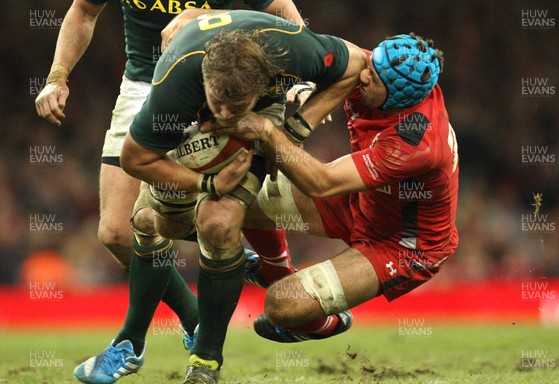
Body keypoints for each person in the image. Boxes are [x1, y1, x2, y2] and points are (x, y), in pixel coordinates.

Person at [33, 1, 304, 383]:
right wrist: (57, 76)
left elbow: (281, 9)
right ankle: (203, 307)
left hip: (210, 87)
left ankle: (135, 343)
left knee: (202, 217)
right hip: (144, 85)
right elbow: (83, 11)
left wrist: (300, 82)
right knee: (116, 233)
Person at [120, 9, 367, 383]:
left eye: (235, 107)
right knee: (162, 225)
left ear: (265, 83)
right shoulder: (176, 86)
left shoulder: (295, 51)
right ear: (206, 82)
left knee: (217, 223)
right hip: (187, 126)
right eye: (218, 104)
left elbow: (356, 64)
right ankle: (243, 261)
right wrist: (207, 185)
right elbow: (133, 158)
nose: (224, 114)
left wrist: (293, 129)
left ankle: (205, 362)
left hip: (261, 119)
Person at [211, 33, 459, 343]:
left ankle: (324, 324)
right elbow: (307, 45)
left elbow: (322, 183)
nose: (365, 75)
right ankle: (270, 269)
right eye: (371, 65)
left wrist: (266, 131)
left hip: (401, 245)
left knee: (281, 306)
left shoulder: (416, 142)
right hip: (361, 201)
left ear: (397, 96)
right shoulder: (385, 67)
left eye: (375, 78)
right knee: (240, 198)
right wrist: (305, 84)